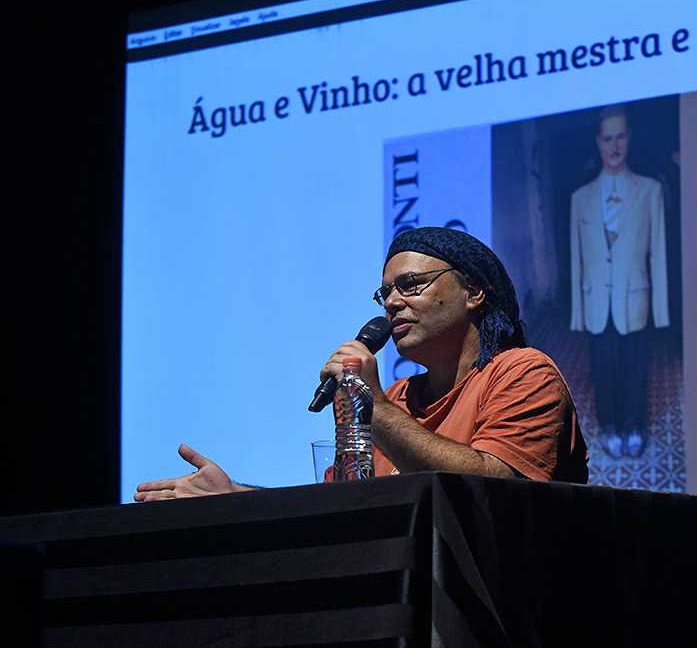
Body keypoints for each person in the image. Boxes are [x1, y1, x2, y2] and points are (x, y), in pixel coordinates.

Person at [135, 227, 589, 501]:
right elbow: (341, 512)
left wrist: (373, 408)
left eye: (411, 285)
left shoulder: (524, 372)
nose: (391, 302)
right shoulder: (395, 400)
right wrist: (237, 498)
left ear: (473, 293)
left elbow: (495, 494)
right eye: (385, 292)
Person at [570, 104, 669, 459]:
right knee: (603, 366)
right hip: (597, 299)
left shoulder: (650, 191)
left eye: (621, 136)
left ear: (629, 138)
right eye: (607, 137)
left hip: (635, 296)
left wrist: (660, 311)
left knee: (635, 365)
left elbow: (657, 252)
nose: (614, 145)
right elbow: (578, 260)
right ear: (598, 142)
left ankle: (634, 425)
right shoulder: (580, 199)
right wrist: (578, 314)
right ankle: (611, 424)